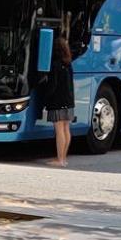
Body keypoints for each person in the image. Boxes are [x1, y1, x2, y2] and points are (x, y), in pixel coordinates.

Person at [45, 33, 75, 166]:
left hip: (57, 101)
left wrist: (46, 99)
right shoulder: (68, 64)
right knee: (66, 129)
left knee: (59, 130)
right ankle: (64, 158)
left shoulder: (55, 65)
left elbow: (52, 85)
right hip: (69, 101)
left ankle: (59, 159)